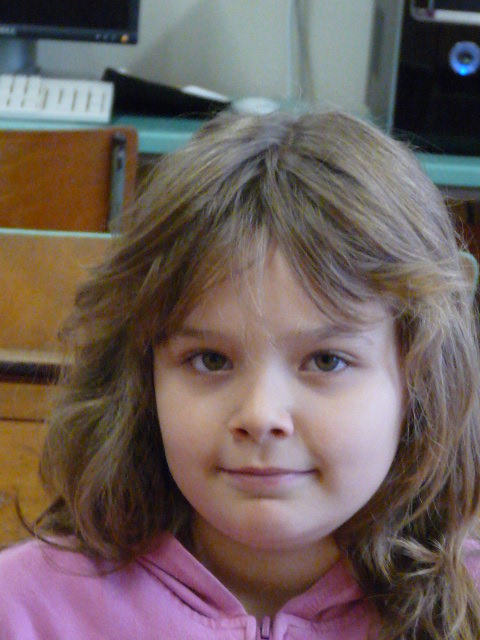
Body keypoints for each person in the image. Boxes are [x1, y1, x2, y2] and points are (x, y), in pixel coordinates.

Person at [0, 111, 480, 640]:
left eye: (327, 361)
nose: (260, 415)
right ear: (142, 380)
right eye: (210, 360)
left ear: (421, 380)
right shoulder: (21, 609)